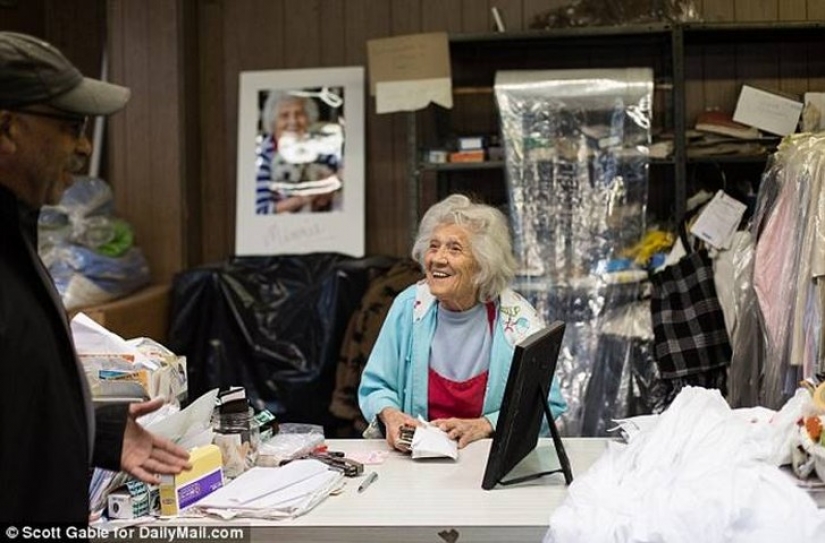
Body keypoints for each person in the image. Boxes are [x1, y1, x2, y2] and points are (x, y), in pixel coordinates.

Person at [0, 31, 190, 524]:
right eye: (69, 125)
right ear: (6, 127)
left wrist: (93, 429)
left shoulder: (17, 232)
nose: (84, 145)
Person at [358, 194, 567, 451]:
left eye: (454, 248)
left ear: (482, 265)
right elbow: (376, 386)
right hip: (415, 464)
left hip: (487, 463)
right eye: (433, 246)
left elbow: (548, 402)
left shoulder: (518, 320)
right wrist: (391, 415)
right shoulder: (409, 306)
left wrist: (486, 424)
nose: (438, 258)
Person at [254, 91, 341, 214]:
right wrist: (305, 198)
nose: (293, 121)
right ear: (273, 122)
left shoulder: (323, 148)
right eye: (284, 115)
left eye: (299, 114)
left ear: (309, 118)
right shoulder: (261, 156)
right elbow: (259, 211)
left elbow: (345, 176)